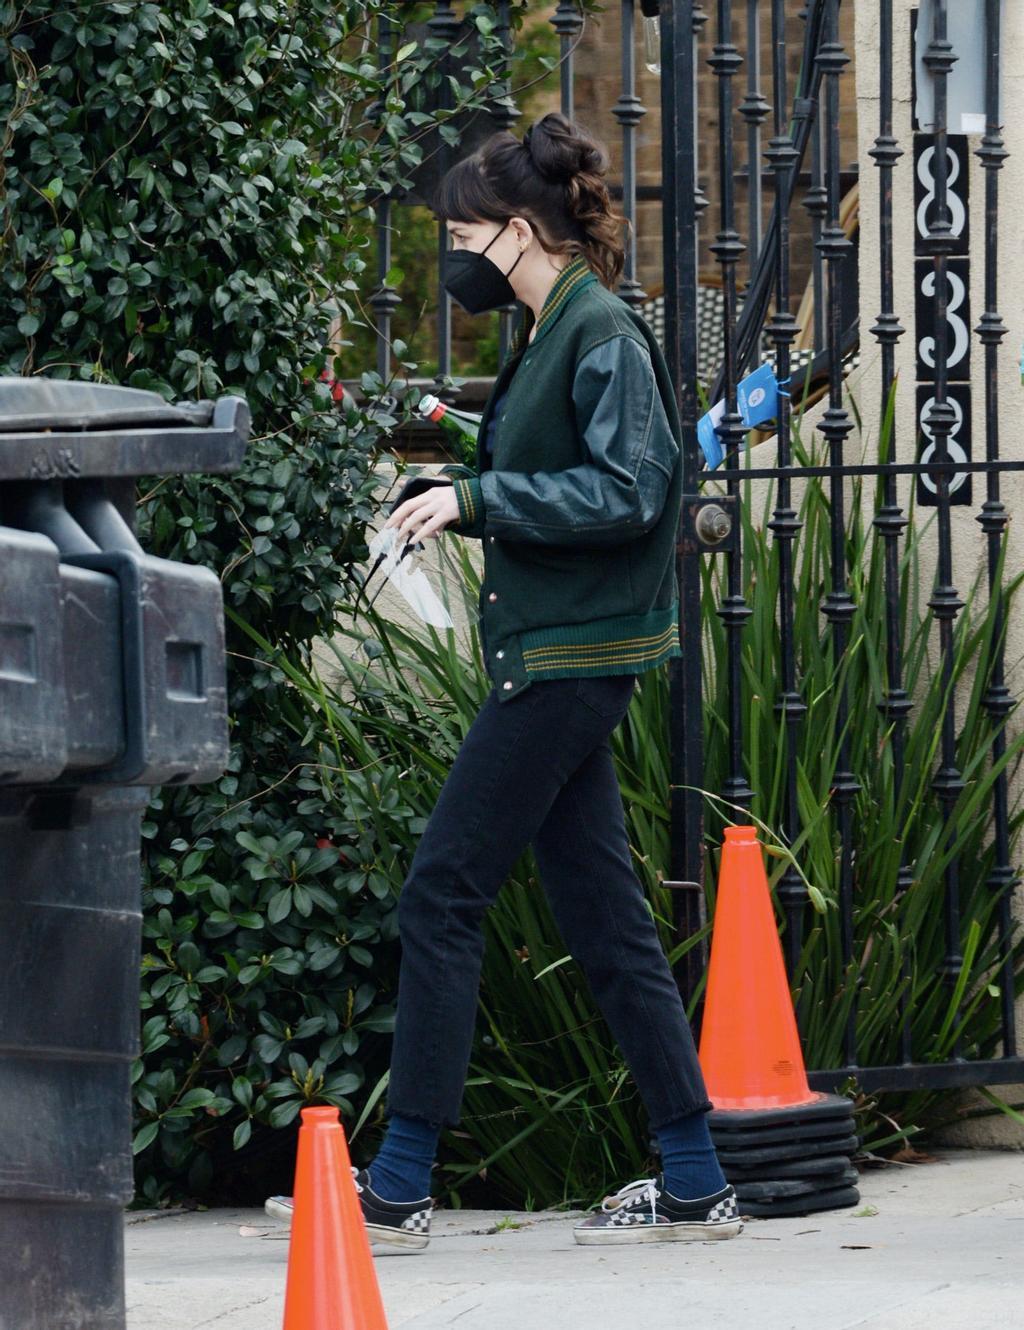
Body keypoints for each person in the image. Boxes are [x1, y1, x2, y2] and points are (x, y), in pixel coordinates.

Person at [266, 112, 741, 1249]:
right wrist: (454, 459)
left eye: (464, 235)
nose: (457, 257)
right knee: (606, 919)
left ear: (519, 232)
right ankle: (693, 1178)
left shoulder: (600, 331)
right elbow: (545, 459)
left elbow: (631, 488)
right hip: (559, 655)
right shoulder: (550, 329)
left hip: (568, 662)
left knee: (443, 894)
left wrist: (475, 499)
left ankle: (399, 1187)